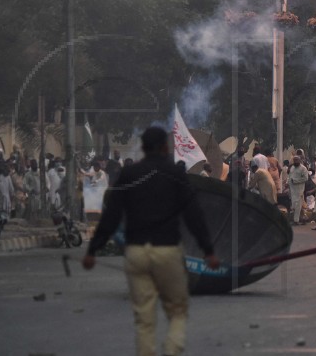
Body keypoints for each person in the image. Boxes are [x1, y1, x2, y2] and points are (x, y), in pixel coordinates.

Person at [83, 127, 219, 356]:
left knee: (144, 319)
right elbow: (194, 216)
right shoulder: (176, 175)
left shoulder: (129, 175)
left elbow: (111, 215)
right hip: (167, 252)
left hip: (135, 253)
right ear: (166, 148)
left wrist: (92, 250)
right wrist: (209, 251)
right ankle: (172, 351)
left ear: (143, 148)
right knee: (177, 311)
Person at [288, 154, 309, 225]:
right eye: (294, 160)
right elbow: (290, 177)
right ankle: (304, 218)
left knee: (297, 205)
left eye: (297, 160)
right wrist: (287, 183)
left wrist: (296, 180)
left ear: (300, 160)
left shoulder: (303, 168)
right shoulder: (292, 168)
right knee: (296, 205)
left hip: (299, 190)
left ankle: (296, 221)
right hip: (292, 190)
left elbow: (306, 178)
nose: (295, 161)